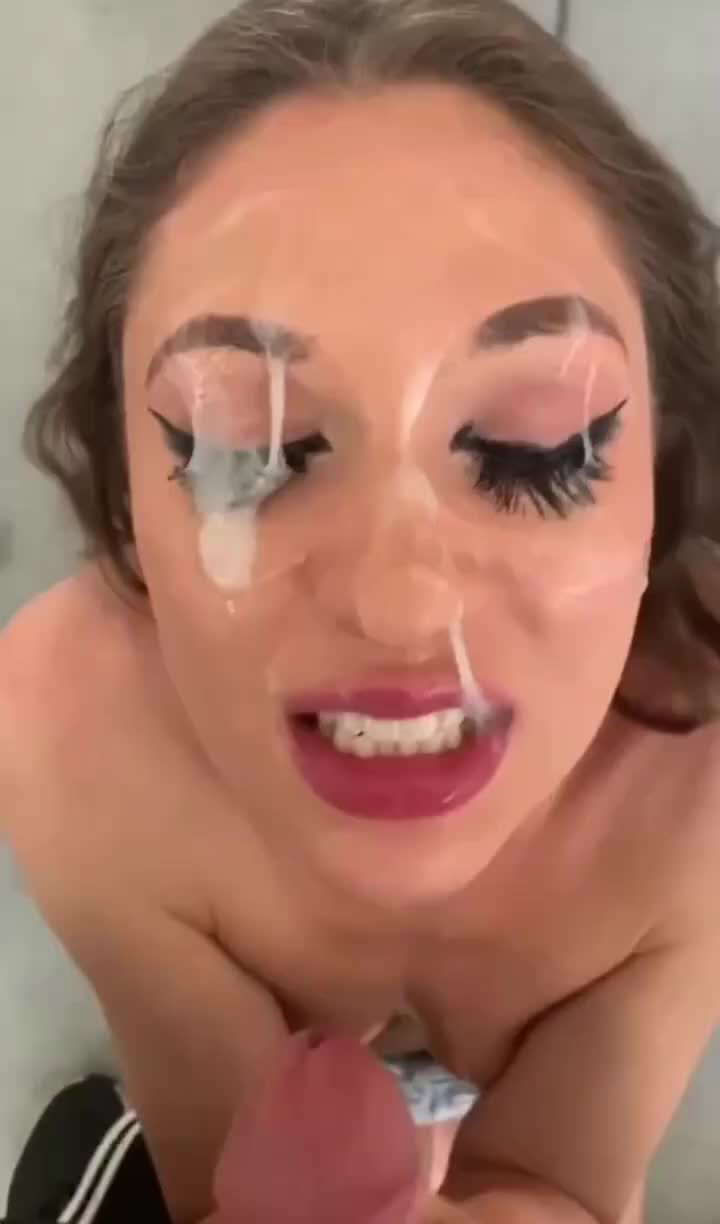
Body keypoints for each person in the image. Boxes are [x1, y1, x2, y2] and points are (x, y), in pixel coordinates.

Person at [2, 0, 720, 1221]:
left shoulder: (697, 787)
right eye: (248, 457)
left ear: (667, 467)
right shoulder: (69, 737)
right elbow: (223, 1163)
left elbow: (564, 1175)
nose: (401, 609)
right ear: (126, 505)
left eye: (537, 452)